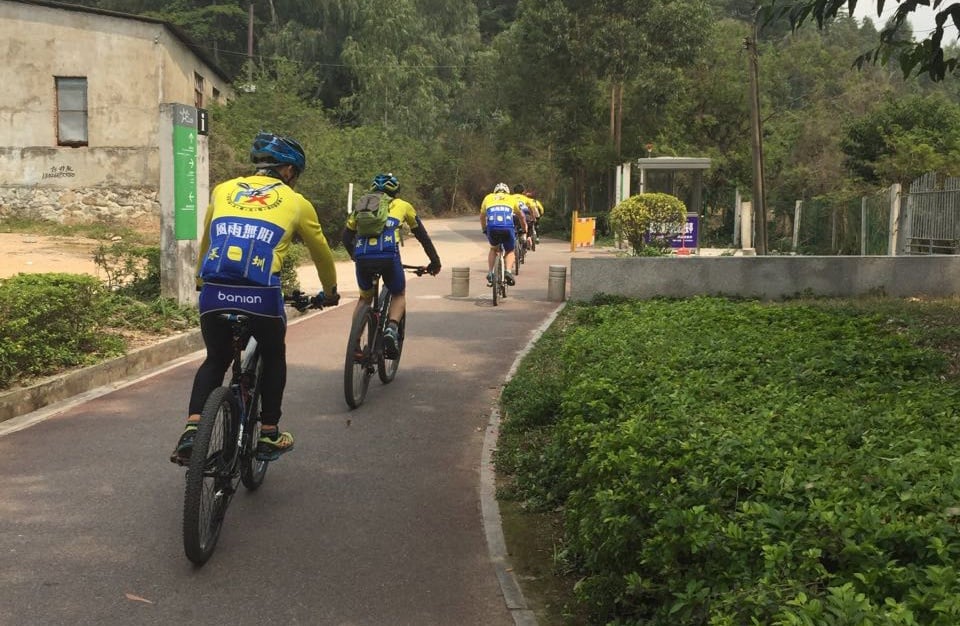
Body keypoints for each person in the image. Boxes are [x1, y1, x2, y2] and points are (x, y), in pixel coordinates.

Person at [171, 131, 340, 465]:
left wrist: (201, 281)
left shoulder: (223, 190)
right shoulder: (297, 203)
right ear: (289, 172)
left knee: (216, 360)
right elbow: (321, 252)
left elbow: (208, 239)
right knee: (274, 354)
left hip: (215, 293)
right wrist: (330, 292)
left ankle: (192, 431)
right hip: (262, 296)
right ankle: (269, 433)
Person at [341, 173, 442, 358]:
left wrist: (356, 257)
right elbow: (423, 237)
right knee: (398, 293)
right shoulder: (403, 206)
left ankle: (354, 344)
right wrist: (435, 262)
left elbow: (346, 237)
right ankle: (392, 328)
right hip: (388, 256)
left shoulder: (362, 206)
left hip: (363, 256)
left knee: (364, 299)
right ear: (395, 191)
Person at [480, 182, 526, 286]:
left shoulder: (488, 198)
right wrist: (524, 229)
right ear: (507, 191)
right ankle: (508, 272)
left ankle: (491, 273)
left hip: (492, 227)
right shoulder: (511, 198)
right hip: (507, 227)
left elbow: (482, 217)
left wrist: (484, 229)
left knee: (493, 248)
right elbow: (521, 216)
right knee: (510, 250)